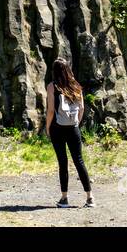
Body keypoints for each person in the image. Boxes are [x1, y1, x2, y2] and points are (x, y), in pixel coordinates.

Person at [45, 57, 94, 208]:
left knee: (63, 162)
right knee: (79, 161)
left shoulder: (52, 87)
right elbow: (82, 109)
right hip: (73, 128)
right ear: (68, 69)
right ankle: (90, 198)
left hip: (57, 128)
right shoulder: (76, 86)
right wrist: (76, 124)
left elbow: (51, 110)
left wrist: (47, 127)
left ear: (54, 71)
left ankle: (64, 198)